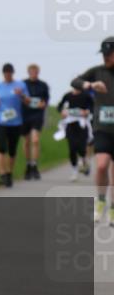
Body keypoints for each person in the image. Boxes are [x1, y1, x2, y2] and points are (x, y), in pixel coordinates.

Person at [70, 37, 114, 225]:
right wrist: (89, 85)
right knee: (102, 165)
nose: (106, 58)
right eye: (103, 54)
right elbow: (75, 81)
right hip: (102, 127)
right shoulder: (97, 72)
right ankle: (101, 200)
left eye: (109, 54)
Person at [0, 63, 27, 188]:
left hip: (16, 122)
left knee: (12, 150)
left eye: (10, 73)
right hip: (0, 121)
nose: (8, 75)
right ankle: (2, 174)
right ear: (3, 74)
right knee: (2, 147)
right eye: (5, 73)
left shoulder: (21, 85)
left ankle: (9, 173)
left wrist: (21, 95)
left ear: (13, 73)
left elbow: (28, 101)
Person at [56, 87, 94, 181]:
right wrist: (62, 112)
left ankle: (84, 160)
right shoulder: (68, 95)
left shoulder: (86, 95)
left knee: (81, 147)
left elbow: (92, 106)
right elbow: (60, 106)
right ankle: (74, 171)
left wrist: (87, 111)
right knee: (72, 148)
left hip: (83, 124)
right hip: (70, 124)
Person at [20, 64, 50, 180]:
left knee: (35, 140)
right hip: (25, 115)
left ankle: (34, 165)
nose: (34, 73)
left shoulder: (43, 85)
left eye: (36, 71)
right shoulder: (23, 84)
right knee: (27, 141)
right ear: (28, 72)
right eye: (32, 71)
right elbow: (20, 97)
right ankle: (28, 165)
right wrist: (24, 99)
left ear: (38, 72)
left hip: (37, 115)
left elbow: (46, 99)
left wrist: (43, 103)